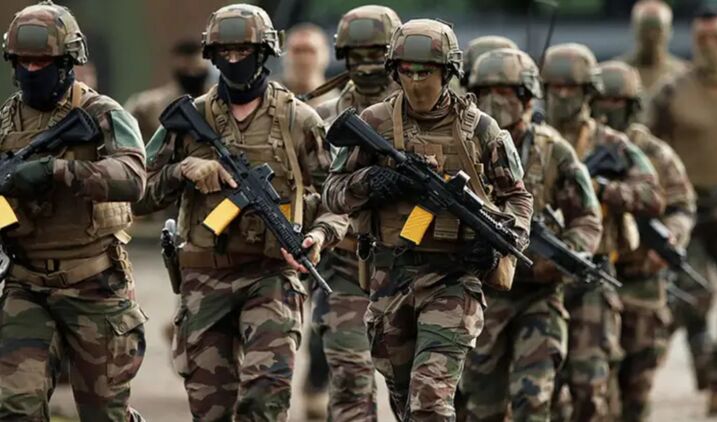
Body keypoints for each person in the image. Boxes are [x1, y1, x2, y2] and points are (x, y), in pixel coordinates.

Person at [134, 4, 347, 421]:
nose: (234, 60)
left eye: (244, 52)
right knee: (210, 406)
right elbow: (139, 193)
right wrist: (182, 170)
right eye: (225, 53)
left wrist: (321, 235)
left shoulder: (299, 119)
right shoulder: (188, 119)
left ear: (264, 53)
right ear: (212, 56)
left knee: (266, 395)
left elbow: (337, 197)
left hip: (272, 276)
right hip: (205, 278)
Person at [323, 19, 533, 421]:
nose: (417, 81)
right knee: (405, 400)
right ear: (394, 71)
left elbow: (518, 198)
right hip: (390, 280)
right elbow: (333, 191)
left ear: (448, 72)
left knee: (430, 404)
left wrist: (502, 241)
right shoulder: (374, 123)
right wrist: (373, 181)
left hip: (454, 279)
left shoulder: (481, 130)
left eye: (427, 71)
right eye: (408, 71)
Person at [0, 1, 147, 421]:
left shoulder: (102, 114)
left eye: (42, 62)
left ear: (67, 62)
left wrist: (58, 172)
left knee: (104, 413)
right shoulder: (6, 122)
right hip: (26, 284)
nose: (32, 70)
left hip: (93, 283)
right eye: (23, 62)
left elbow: (133, 177)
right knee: (14, 407)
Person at [458, 47, 602, 422]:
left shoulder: (554, 151)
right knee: (480, 408)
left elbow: (587, 218)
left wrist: (565, 256)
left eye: (506, 92)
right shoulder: (460, 146)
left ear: (526, 97)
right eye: (486, 92)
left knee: (532, 399)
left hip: (538, 295)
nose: (495, 101)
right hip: (479, 296)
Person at [541, 43, 664, 422]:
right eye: (556, 88)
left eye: (572, 88)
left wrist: (604, 190)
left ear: (588, 93)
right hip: (538, 277)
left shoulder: (611, 144)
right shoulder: (530, 139)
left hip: (591, 276)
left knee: (590, 384)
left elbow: (652, 196)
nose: (563, 96)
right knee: (537, 387)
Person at [646, 6, 717, 415]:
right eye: (702, 38)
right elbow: (642, 144)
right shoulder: (672, 92)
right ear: (692, 41)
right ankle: (682, 367)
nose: (710, 45)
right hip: (685, 210)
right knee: (695, 294)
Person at [307, 5, 402, 421]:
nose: (365, 65)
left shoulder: (422, 116)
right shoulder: (322, 119)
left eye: (375, 54)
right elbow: (308, 189)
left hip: (411, 269)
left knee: (416, 392)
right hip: (345, 265)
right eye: (356, 55)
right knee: (349, 382)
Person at [591, 60, 696, 422]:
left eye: (617, 101)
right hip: (592, 277)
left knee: (637, 386)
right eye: (602, 100)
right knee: (592, 385)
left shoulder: (653, 153)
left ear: (632, 105)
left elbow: (682, 206)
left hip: (641, 282)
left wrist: (670, 241)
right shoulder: (580, 145)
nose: (608, 109)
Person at [125, 39, 211, 143]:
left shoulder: (217, 100)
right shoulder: (148, 105)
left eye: (197, 70)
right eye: (186, 70)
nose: (192, 74)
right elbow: (123, 133)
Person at [616, 0, 687, 93]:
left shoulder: (683, 74)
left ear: (669, 31)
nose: (651, 36)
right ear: (634, 30)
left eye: (657, 29)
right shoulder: (617, 73)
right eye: (645, 29)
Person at [282, 23, 338, 107]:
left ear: (325, 54)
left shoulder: (338, 102)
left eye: (310, 51)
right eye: (297, 51)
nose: (303, 59)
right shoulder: (268, 96)